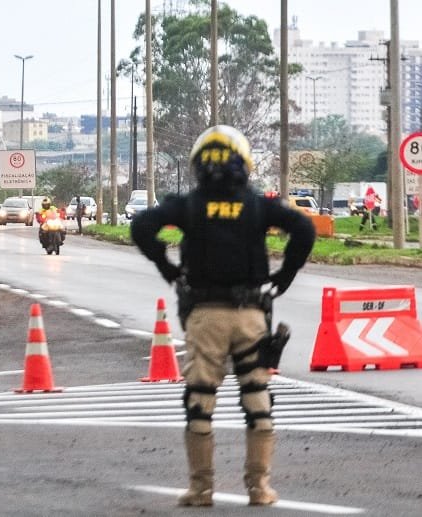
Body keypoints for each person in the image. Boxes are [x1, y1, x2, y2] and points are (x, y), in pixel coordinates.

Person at [131, 125, 315, 507]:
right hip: (251, 315)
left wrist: (167, 267)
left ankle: (201, 490)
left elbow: (142, 225)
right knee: (257, 399)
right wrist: (284, 275)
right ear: (244, 164)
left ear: (199, 164)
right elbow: (304, 227)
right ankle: (259, 489)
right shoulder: (257, 206)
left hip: (205, 316)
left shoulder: (188, 206)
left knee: (200, 401)